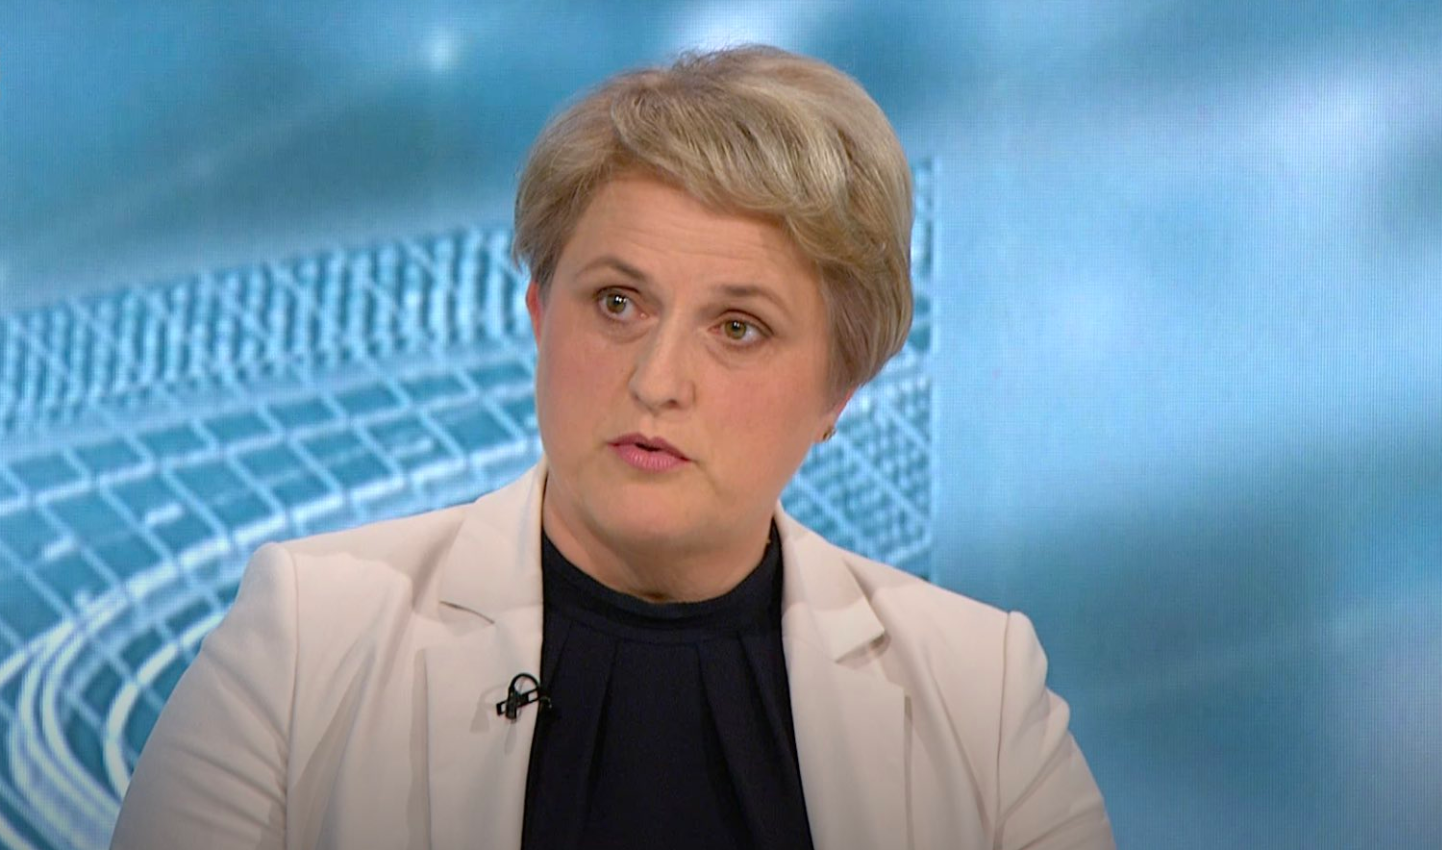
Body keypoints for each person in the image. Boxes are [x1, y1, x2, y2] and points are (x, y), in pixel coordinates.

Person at [111, 45, 1114, 850]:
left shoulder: (977, 692)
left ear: (837, 391)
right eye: (618, 303)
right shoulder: (306, 638)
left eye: (739, 327)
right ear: (539, 316)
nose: (657, 379)